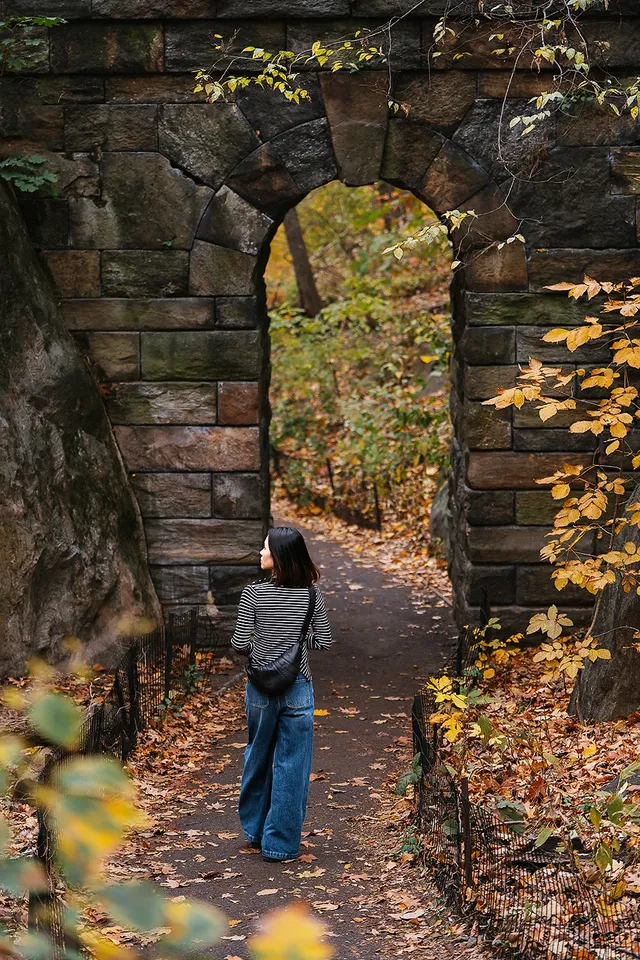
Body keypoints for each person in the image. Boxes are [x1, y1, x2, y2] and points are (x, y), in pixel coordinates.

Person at [231, 526, 333, 863]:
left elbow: (239, 644)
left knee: (257, 756)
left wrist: (265, 648)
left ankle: (256, 832)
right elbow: (325, 641)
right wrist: (296, 645)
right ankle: (282, 845)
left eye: (265, 549)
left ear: (278, 557)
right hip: (297, 687)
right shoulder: (310, 596)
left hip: (260, 688)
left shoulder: (253, 594)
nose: (260, 553)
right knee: (293, 765)